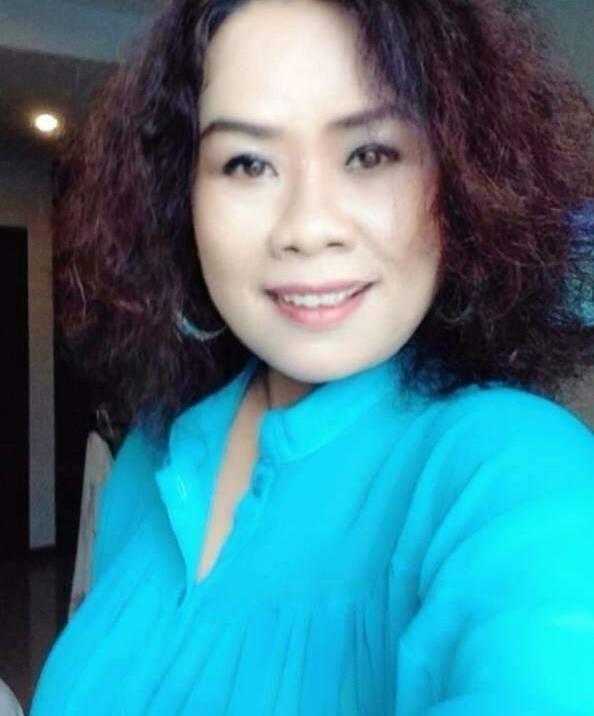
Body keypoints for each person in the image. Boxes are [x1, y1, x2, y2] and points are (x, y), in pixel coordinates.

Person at [31, 0, 594, 713]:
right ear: (182, 195)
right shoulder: (150, 456)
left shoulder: (516, 471)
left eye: (369, 154)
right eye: (248, 162)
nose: (306, 227)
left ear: (459, 177)